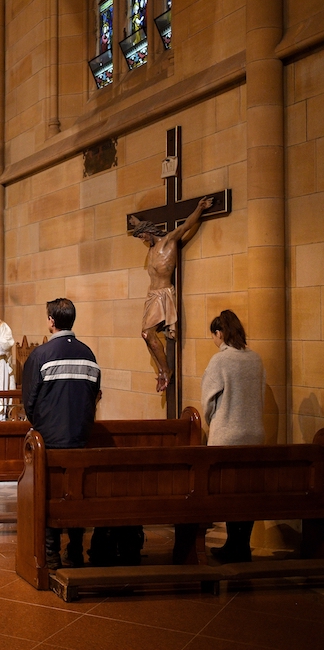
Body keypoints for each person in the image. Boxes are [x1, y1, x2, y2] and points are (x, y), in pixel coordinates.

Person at [22, 298, 101, 569]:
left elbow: (29, 400)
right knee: (75, 494)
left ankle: (51, 553)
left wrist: (42, 423)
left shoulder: (41, 354)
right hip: (80, 436)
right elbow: (94, 395)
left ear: (52, 321)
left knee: (51, 494)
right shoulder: (88, 354)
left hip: (50, 439)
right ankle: (76, 550)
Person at [130, 195, 214, 392]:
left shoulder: (168, 241)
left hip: (163, 294)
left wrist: (199, 209)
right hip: (152, 296)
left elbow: (185, 227)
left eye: (142, 236)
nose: (142, 240)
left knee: (148, 333)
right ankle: (161, 369)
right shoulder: (151, 246)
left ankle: (166, 370)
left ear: (150, 232)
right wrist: (136, 223)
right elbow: (143, 228)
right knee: (145, 335)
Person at [201, 309, 266, 563]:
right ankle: (242, 545)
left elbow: (208, 400)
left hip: (227, 434)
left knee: (228, 492)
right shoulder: (256, 359)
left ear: (220, 333)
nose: (215, 341)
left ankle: (232, 546)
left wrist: (214, 421)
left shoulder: (220, 361)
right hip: (253, 433)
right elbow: (260, 395)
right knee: (247, 492)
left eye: (214, 335)